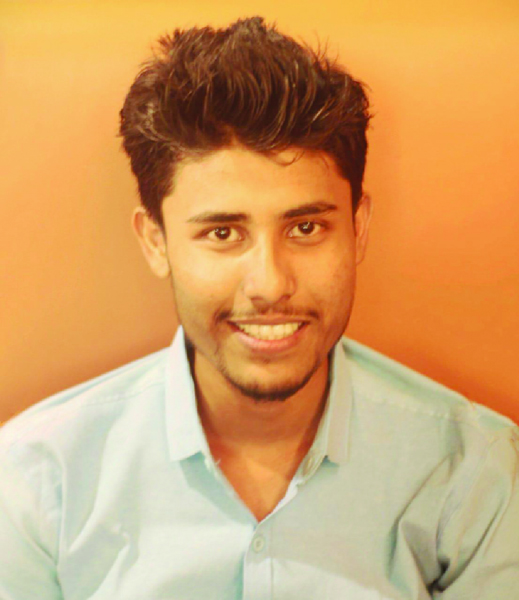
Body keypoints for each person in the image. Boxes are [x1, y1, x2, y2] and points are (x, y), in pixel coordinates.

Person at [0, 16, 517, 600]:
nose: (270, 285)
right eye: (222, 233)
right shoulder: (38, 479)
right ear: (156, 241)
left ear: (358, 229)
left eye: (305, 227)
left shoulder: (474, 472)